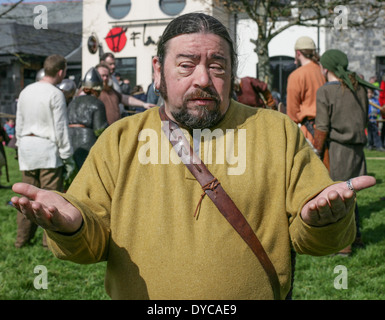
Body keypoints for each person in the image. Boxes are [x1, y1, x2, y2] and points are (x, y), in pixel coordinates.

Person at [11, 13, 375, 300]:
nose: (203, 78)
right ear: (159, 72)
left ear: (232, 73)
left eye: (217, 65)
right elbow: (89, 244)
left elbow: (314, 241)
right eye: (186, 65)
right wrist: (73, 226)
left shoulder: (277, 132)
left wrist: (326, 221)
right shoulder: (119, 140)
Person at [313, 49, 380, 255]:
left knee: (338, 196)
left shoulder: (326, 91)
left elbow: (322, 127)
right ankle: (356, 236)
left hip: (338, 150)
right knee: (351, 195)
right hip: (358, 150)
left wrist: (316, 150)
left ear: (326, 68)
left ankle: (343, 245)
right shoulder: (358, 89)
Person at [14, 54, 74, 248]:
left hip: (27, 145)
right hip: (47, 148)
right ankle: (49, 242)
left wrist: (19, 145)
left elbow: (19, 122)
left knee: (27, 197)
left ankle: (22, 239)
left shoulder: (26, 91)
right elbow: (60, 128)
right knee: (49, 198)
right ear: (61, 72)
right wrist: (67, 156)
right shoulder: (55, 94)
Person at [286, 36, 325, 147]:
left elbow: (292, 113)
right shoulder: (323, 71)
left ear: (298, 53)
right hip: (327, 130)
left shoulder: (296, 76)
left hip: (309, 132)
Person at [67, 67, 108, 172]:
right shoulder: (97, 103)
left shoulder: (72, 102)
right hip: (87, 141)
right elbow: (100, 129)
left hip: (70, 139)